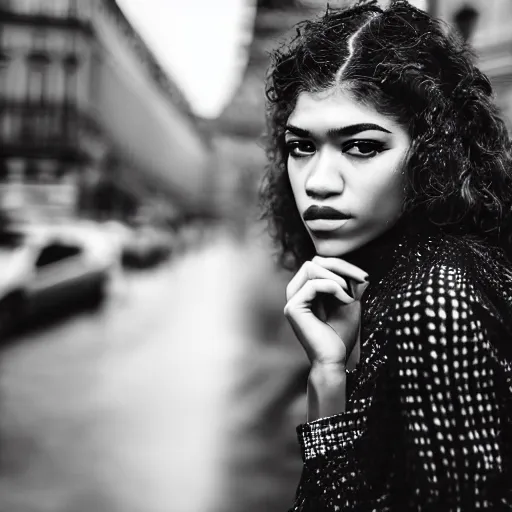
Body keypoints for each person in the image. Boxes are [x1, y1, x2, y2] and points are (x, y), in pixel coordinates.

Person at [259, 0, 512, 509]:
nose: (319, 183)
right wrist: (329, 371)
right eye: (302, 146)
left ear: (432, 153)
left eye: (362, 147)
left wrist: (328, 388)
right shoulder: (414, 275)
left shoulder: (435, 300)